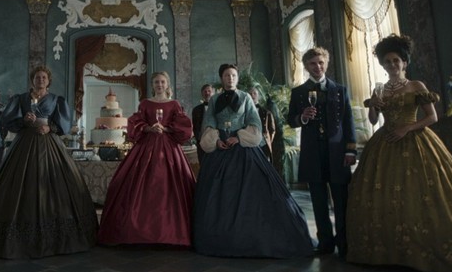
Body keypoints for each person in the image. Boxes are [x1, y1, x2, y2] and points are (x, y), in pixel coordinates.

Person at [346, 34, 452, 272]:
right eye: (387, 62)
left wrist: (407, 128)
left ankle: (427, 254)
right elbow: (372, 121)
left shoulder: (416, 86)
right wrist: (374, 106)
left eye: (396, 61)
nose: (392, 65)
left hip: (415, 139)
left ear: (404, 62)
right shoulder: (379, 88)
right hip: (384, 143)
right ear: (382, 65)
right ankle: (393, 253)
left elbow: (432, 117)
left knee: (425, 195)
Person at [193, 63, 313, 258]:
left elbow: (254, 123)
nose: (230, 78)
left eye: (233, 75)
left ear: (237, 78)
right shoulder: (214, 100)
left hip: (243, 150)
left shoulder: (246, 97)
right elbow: (208, 123)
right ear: (221, 79)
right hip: (221, 149)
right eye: (226, 76)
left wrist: (238, 137)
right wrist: (217, 140)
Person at [0, 65, 97, 259]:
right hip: (25, 143)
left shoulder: (55, 100)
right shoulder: (21, 99)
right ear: (32, 80)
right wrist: (24, 120)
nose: (40, 80)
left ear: (48, 80)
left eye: (44, 77)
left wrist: (50, 128)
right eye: (37, 77)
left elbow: (65, 124)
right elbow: (8, 120)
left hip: (49, 143)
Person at [98, 72, 195, 247]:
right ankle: (137, 232)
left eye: (162, 82)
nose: (159, 84)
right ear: (152, 85)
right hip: (146, 147)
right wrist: (149, 128)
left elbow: (183, 126)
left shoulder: (174, 104)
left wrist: (165, 129)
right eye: (156, 82)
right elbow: (135, 123)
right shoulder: (145, 103)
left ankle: (172, 233)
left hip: (168, 149)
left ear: (167, 84)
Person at [287, 46, 356, 259]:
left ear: (326, 63)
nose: (317, 66)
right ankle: (325, 242)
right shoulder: (298, 92)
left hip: (337, 153)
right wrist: (303, 117)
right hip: (312, 153)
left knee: (341, 200)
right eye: (312, 63)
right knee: (317, 200)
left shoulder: (340, 90)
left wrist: (351, 150)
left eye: (321, 62)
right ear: (306, 67)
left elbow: (348, 122)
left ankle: (344, 243)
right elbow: (291, 120)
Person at [191, 83, 213, 165]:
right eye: (205, 91)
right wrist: (198, 140)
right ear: (202, 94)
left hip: (215, 142)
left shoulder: (218, 108)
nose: (207, 93)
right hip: (201, 142)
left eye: (209, 91)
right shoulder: (196, 110)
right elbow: (195, 126)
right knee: (203, 165)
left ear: (213, 92)